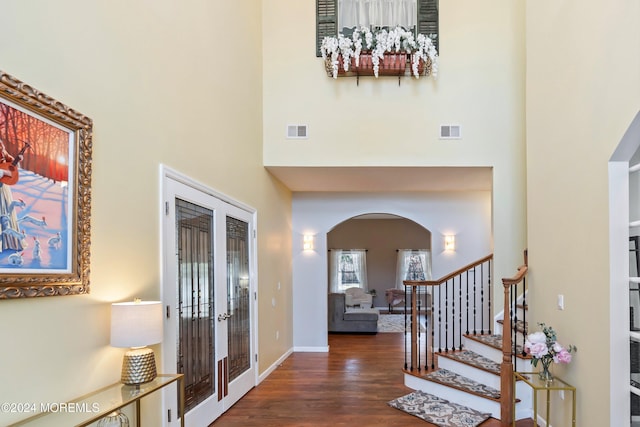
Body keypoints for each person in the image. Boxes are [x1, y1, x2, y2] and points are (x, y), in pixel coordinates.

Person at [0, 138, 24, 251]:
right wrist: (4, 172)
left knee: (6, 212)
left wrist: (17, 160)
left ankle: (9, 242)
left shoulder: (2, 150)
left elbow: (12, 165)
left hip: (4, 187)